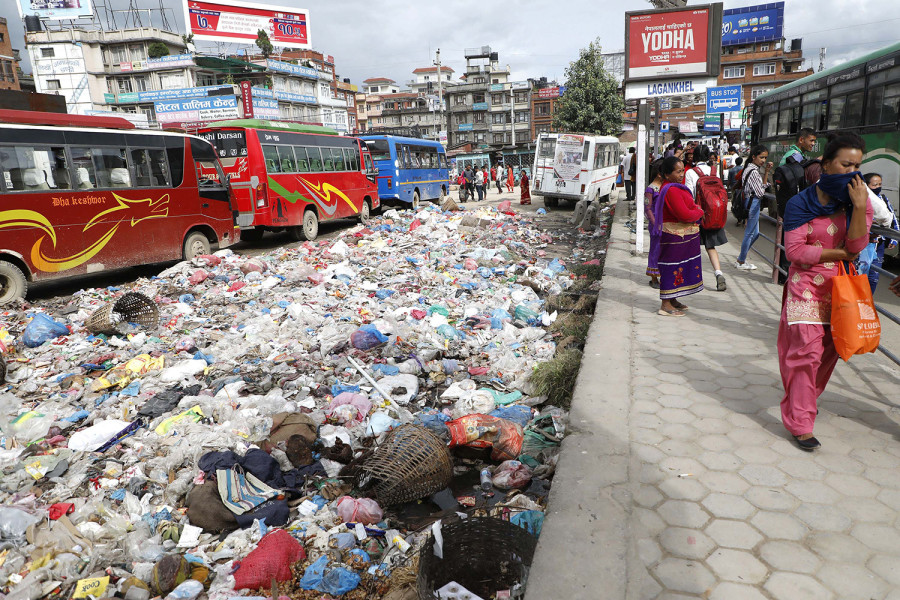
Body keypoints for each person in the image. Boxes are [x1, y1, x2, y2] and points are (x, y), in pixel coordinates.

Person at [778, 132, 874, 451]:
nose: (853, 173)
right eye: (846, 164)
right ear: (826, 164)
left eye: (858, 166)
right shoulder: (799, 203)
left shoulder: (859, 202)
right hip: (804, 288)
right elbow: (794, 252)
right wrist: (839, 254)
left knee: (828, 354)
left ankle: (803, 402)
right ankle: (801, 422)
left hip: (840, 291)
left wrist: (859, 208)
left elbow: (857, 246)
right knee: (807, 352)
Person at [652, 156, 704, 316]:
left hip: (680, 238)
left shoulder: (674, 187)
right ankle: (666, 305)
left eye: (683, 170)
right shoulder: (672, 190)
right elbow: (684, 214)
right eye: (678, 171)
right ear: (667, 175)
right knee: (671, 267)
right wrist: (700, 211)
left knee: (679, 266)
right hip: (674, 238)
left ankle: (673, 299)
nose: (682, 174)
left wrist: (694, 209)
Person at [684, 144, 727, 291]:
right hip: (713, 215)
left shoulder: (691, 172)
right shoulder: (715, 171)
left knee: (690, 246)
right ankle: (718, 273)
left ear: (694, 156)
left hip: (697, 214)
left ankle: (690, 277)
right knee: (710, 246)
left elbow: (689, 195)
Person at [857, 173, 899, 292]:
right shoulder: (859, 199)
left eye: (880, 184)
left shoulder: (883, 199)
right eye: (875, 184)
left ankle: (868, 304)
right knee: (859, 275)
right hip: (862, 245)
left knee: (873, 277)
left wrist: (894, 238)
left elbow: (892, 219)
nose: (878, 187)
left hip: (878, 245)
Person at [735, 145, 773, 270]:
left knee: (755, 233)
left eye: (765, 158)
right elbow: (760, 192)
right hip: (753, 203)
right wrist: (766, 185)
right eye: (761, 157)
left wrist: (766, 172)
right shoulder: (753, 171)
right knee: (750, 233)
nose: (763, 160)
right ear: (754, 157)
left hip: (751, 203)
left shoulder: (750, 169)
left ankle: (741, 257)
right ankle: (741, 261)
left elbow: (760, 187)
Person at [645, 158, 664, 289]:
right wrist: (654, 223)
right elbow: (647, 208)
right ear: (659, 173)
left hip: (665, 222)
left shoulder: (664, 187)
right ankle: (654, 277)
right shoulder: (650, 189)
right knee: (655, 249)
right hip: (655, 223)